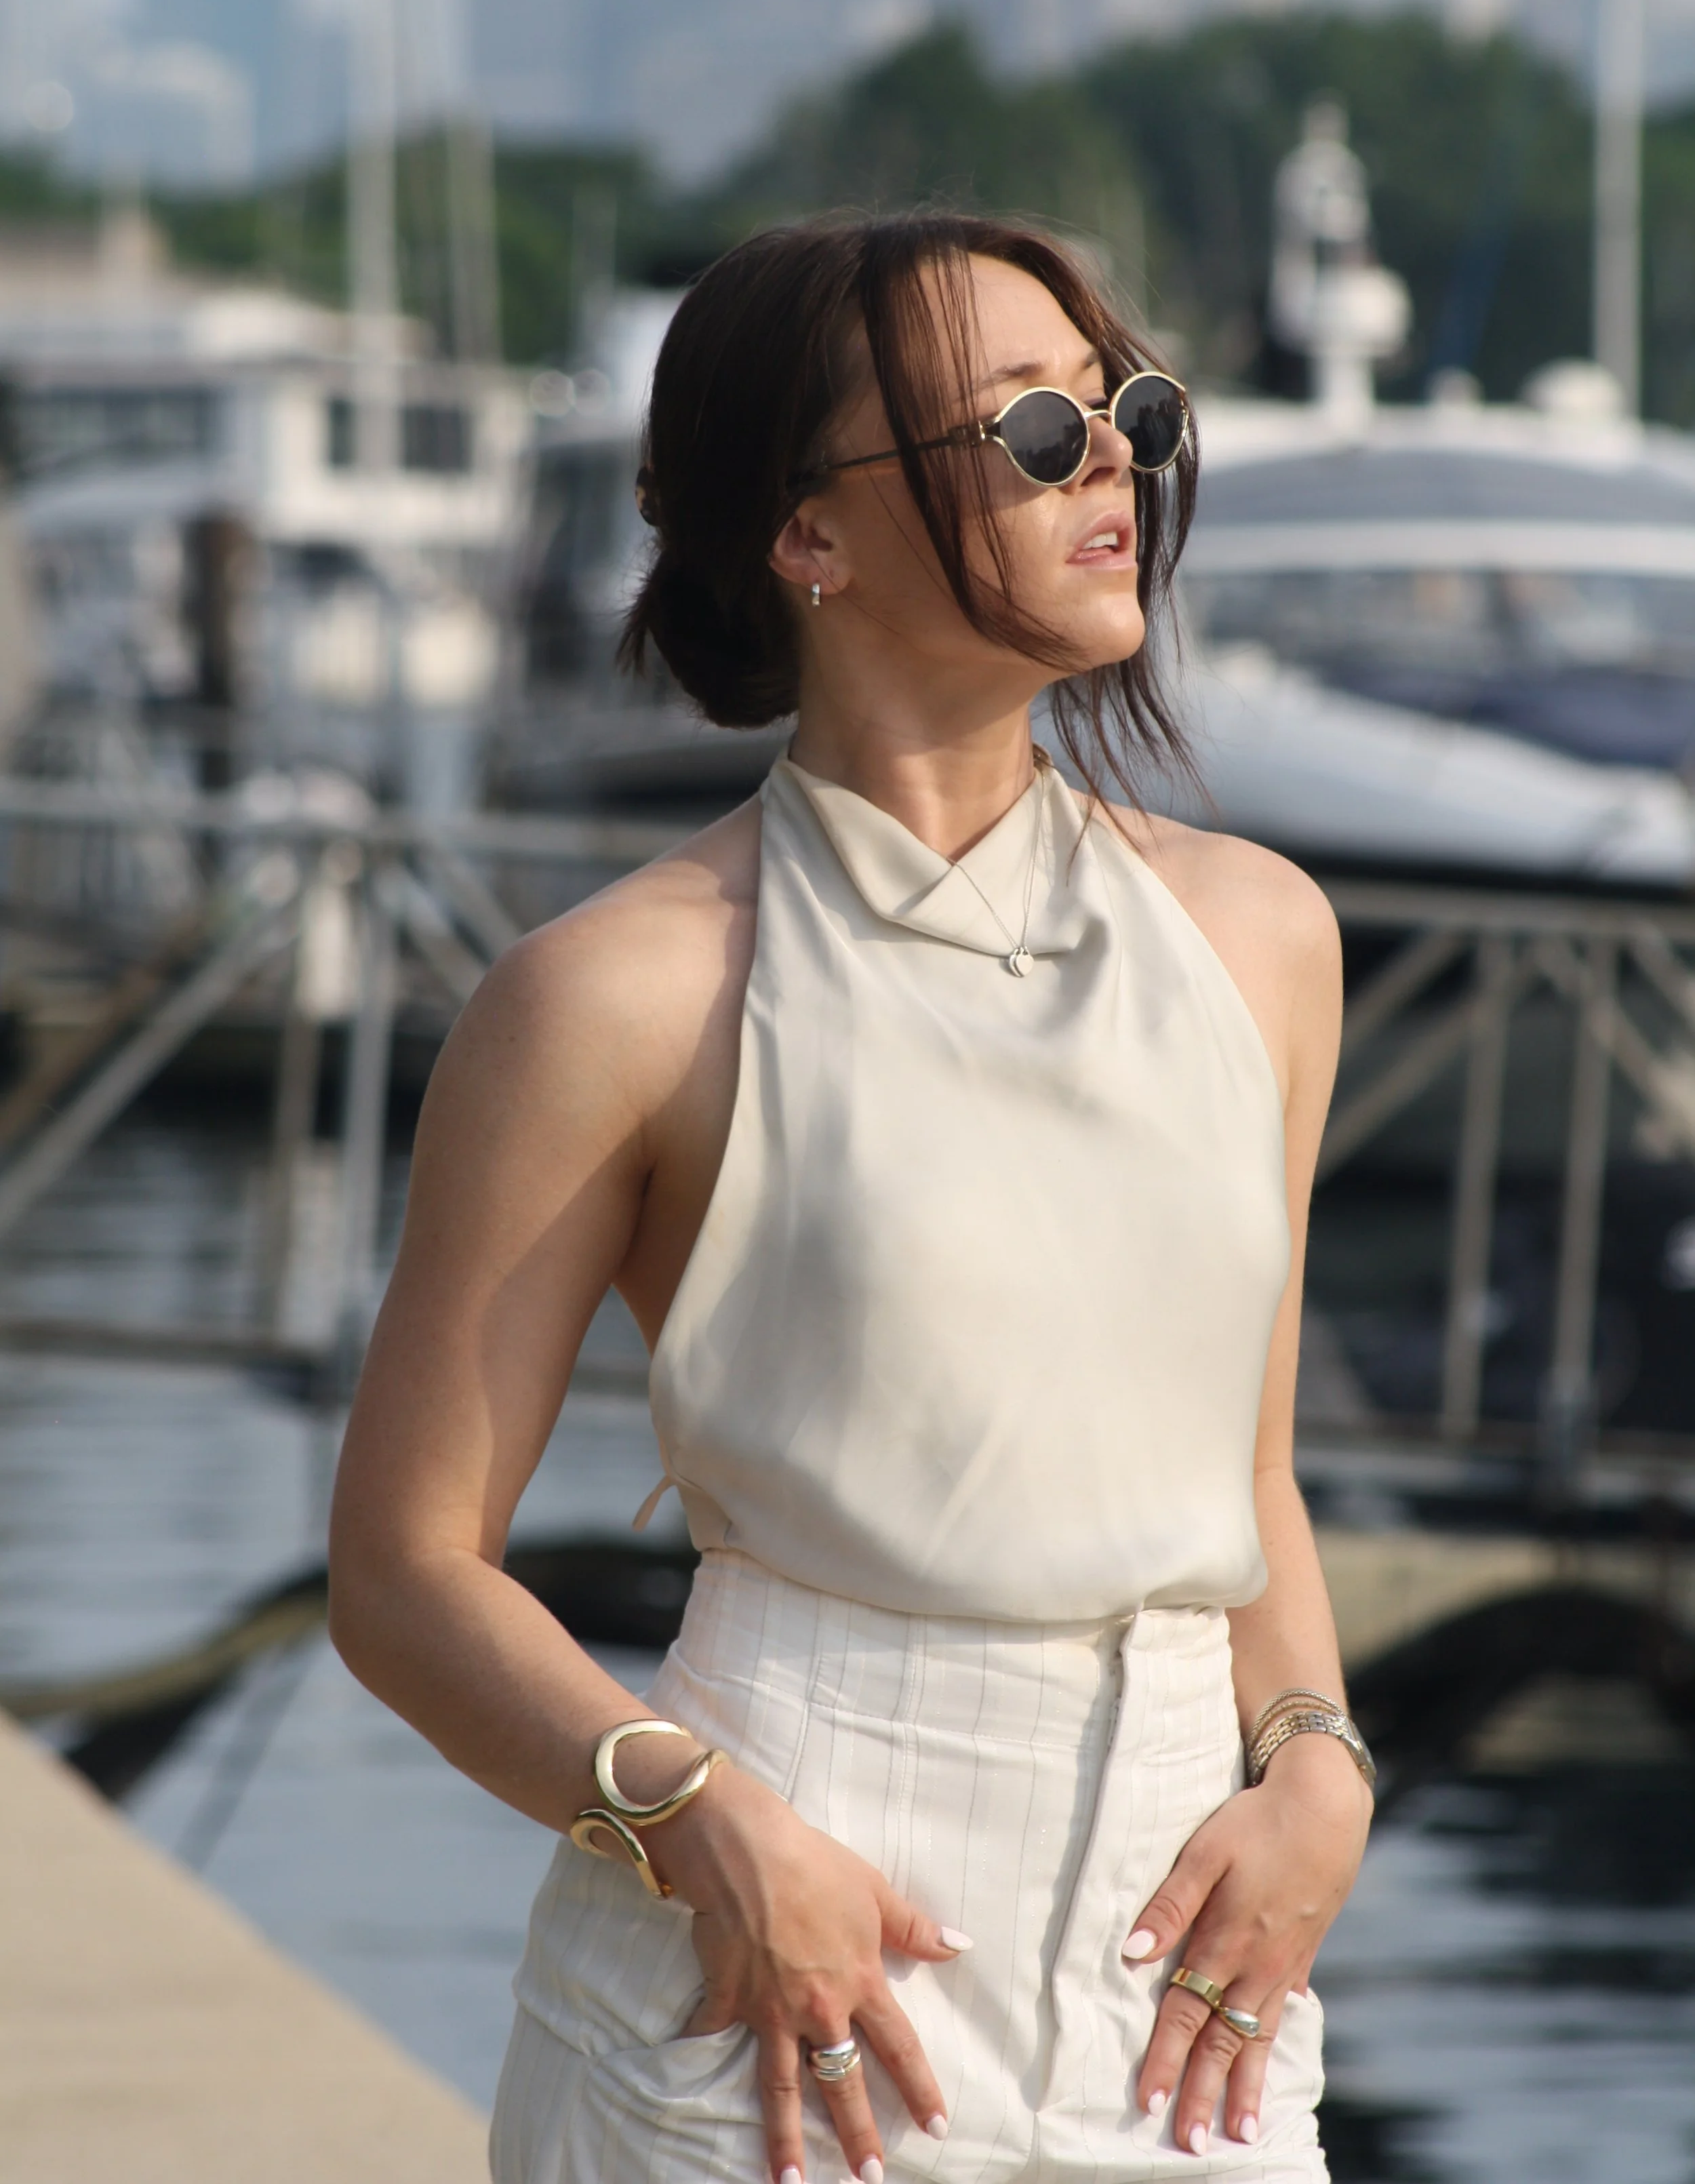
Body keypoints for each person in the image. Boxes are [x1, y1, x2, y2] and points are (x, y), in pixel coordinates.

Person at [328, 212, 1372, 2184]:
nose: (1115, 463)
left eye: (1126, 408)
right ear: (809, 533)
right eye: (1035, 427)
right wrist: (699, 1821)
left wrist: (1316, 1758)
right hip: (774, 1983)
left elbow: (1244, 1472)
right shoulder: (623, 991)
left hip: (1190, 2000)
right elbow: (402, 1569)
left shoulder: (1258, 938)